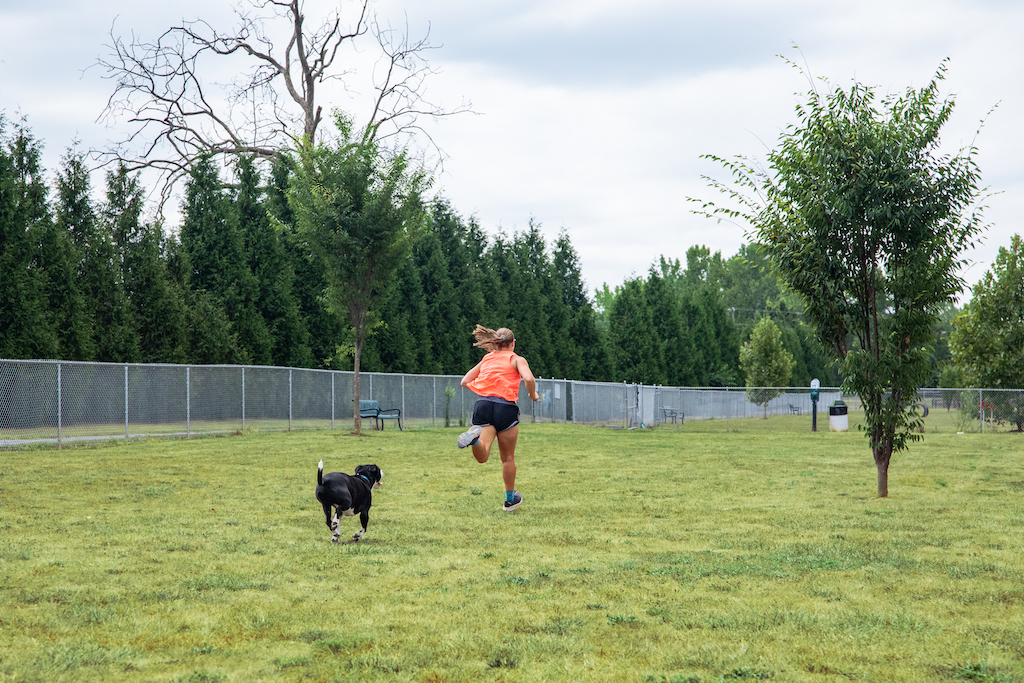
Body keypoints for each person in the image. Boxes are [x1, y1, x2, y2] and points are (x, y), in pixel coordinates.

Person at [458, 324, 539, 511]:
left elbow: (465, 381)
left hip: (483, 405)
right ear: (513, 343)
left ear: (496, 343)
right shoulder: (516, 359)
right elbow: (528, 379)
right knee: (508, 458)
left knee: (483, 455)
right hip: (505, 407)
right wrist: (532, 395)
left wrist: (483, 391)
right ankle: (510, 500)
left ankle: (475, 440)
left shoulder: (487, 358)